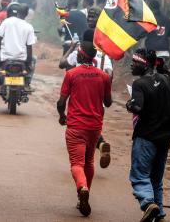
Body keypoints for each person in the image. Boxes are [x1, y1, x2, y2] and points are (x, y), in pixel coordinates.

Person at [126, 49, 170, 222]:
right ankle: (159, 215)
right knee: (156, 179)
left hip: (146, 137)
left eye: (134, 61)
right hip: (165, 138)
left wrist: (129, 104)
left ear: (144, 64)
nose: (131, 64)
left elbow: (137, 107)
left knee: (139, 175)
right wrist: (167, 71)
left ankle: (148, 203)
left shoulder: (140, 84)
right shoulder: (167, 79)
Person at [57, 41, 112, 217]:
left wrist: (61, 115)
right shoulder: (104, 76)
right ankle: (83, 196)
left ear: (80, 55)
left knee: (76, 164)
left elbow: (61, 102)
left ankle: (82, 188)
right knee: (88, 162)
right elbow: (108, 102)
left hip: (76, 127)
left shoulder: (71, 74)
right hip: (95, 128)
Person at [0, 2, 37, 92]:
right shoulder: (29, 27)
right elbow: (29, 47)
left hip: (5, 57)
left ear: (17, 12)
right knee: (34, 60)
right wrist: (28, 61)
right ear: (27, 14)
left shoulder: (7, 22)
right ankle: (27, 83)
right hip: (22, 58)